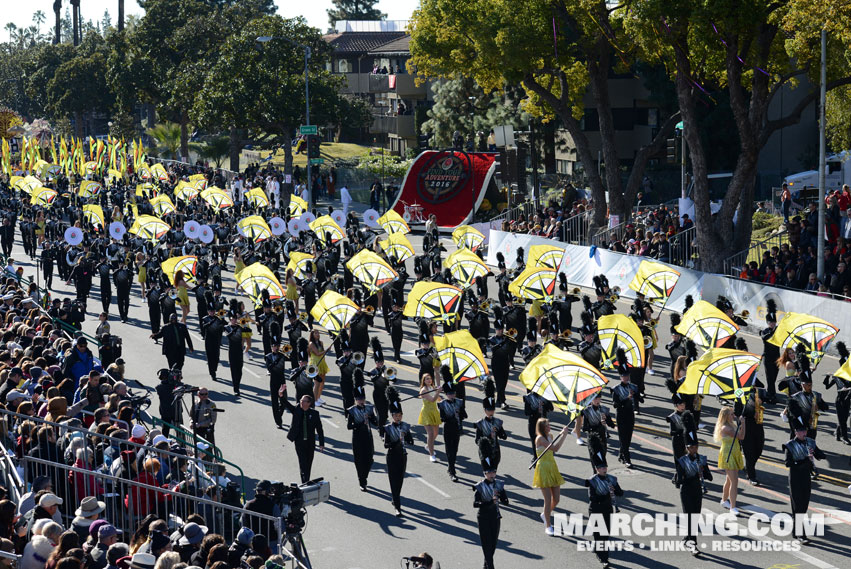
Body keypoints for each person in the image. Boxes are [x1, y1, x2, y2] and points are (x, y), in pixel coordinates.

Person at [782, 414, 826, 543]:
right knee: (798, 506)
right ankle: (801, 534)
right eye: (801, 431)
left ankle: (796, 531)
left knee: (804, 505)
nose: (803, 433)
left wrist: (819, 455)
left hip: (806, 477)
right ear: (795, 432)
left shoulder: (810, 442)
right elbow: (788, 463)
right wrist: (804, 461)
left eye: (805, 430)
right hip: (795, 478)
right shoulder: (790, 445)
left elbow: (819, 454)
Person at [673, 413, 712, 555]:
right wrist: (693, 474)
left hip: (697, 490)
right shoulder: (682, 461)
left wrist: (703, 471)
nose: (694, 449)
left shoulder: (701, 459)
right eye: (691, 447)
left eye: (695, 447)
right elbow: (680, 481)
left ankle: (687, 537)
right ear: (687, 448)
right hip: (686, 490)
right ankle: (692, 545)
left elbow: (710, 477)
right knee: (689, 517)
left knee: (695, 517)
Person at [585, 439, 624, 568]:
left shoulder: (611, 479)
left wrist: (615, 490)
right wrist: (607, 493)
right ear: (596, 469)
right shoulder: (592, 481)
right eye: (601, 467)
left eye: (605, 467)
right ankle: (603, 558)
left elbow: (620, 493)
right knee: (598, 534)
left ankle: (599, 550)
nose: (604, 469)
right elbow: (593, 497)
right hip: (595, 509)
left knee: (605, 534)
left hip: (607, 509)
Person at [473, 444, 509, 569]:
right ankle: (491, 566)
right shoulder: (480, 486)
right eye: (489, 473)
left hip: (495, 516)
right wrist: (489, 502)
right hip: (483, 517)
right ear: (484, 473)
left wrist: (501, 497)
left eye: (493, 472)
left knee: (493, 544)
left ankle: (486, 566)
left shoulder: (499, 484)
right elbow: (475, 504)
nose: (492, 474)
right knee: (486, 544)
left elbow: (506, 501)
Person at [533, 418, 568, 535]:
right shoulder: (540, 439)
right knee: (547, 500)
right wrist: (564, 435)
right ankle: (548, 525)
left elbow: (553, 448)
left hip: (552, 466)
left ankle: (545, 514)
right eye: (547, 426)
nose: (549, 427)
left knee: (556, 499)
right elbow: (555, 449)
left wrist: (561, 434)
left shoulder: (551, 436)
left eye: (549, 425)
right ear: (542, 428)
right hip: (543, 468)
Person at [384, 387, 414, 517]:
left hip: (402, 456)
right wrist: (397, 440)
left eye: (399, 415)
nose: (397, 417)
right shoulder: (388, 428)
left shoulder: (405, 426)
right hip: (392, 456)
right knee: (393, 480)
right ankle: (397, 505)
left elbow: (411, 442)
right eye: (395, 415)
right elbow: (386, 444)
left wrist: (405, 436)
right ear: (392, 416)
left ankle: (395, 497)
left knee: (400, 480)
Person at [283, 393, 325, 483]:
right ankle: (304, 482)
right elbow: (286, 404)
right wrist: (281, 396)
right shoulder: (296, 410)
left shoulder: (314, 414)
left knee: (309, 463)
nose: (301, 402)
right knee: (303, 463)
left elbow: (319, 429)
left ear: (309, 403)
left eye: (304, 401)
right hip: (299, 441)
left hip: (310, 442)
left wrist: (321, 443)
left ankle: (306, 480)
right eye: (301, 400)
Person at [346, 371, 378, 491]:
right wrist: (359, 424)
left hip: (368, 436)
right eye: (359, 399)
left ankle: (365, 476)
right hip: (358, 438)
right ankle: (362, 481)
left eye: (363, 398)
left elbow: (375, 423)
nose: (361, 401)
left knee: (369, 460)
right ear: (355, 399)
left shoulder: (369, 408)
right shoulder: (352, 411)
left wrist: (371, 418)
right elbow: (349, 426)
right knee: (359, 461)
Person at [437, 367, 466, 483]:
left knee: (455, 449)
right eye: (449, 394)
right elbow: (442, 418)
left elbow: (464, 415)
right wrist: (451, 416)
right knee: (449, 449)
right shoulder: (442, 404)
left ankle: (451, 466)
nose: (451, 395)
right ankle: (452, 469)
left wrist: (460, 413)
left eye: (453, 393)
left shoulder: (459, 402)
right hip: (448, 427)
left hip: (457, 428)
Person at [714, 406, 745, 515]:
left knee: (729, 479)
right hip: (728, 454)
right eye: (732, 414)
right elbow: (741, 436)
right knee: (734, 481)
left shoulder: (731, 425)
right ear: (726, 416)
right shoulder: (725, 428)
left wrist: (739, 423)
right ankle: (733, 507)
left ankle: (723, 500)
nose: (734, 416)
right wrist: (743, 423)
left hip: (733, 451)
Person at [612, 350, 639, 468]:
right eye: (624, 376)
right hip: (621, 414)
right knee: (623, 436)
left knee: (628, 437)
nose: (626, 377)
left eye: (627, 375)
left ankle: (621, 453)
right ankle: (627, 458)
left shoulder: (634, 386)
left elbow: (639, 401)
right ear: (620, 377)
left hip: (630, 414)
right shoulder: (616, 389)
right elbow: (615, 404)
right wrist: (627, 398)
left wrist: (637, 395)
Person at [474, 379, 507, 471]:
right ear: (485, 410)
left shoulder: (497, 422)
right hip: (485, 451)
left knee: (494, 470)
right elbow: (477, 440)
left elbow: (504, 436)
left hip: (495, 450)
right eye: (489, 410)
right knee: (488, 471)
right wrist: (488, 437)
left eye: (492, 410)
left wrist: (499, 431)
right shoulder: (480, 423)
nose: (491, 412)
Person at [417, 373, 441, 462]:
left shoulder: (432, 387)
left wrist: (443, 400)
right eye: (427, 379)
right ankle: (431, 454)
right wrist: (437, 392)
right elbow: (432, 400)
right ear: (424, 381)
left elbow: (438, 399)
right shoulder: (423, 390)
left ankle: (428, 445)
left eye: (430, 378)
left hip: (434, 412)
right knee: (430, 434)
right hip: (426, 413)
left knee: (436, 433)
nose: (429, 380)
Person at [760, 299, 780, 403]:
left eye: (774, 322)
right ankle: (772, 395)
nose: (772, 324)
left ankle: (770, 392)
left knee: (774, 377)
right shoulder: (765, 331)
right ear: (767, 323)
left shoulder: (778, 331)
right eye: (770, 322)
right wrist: (773, 332)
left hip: (777, 358)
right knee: (769, 377)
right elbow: (764, 338)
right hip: (768, 357)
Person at [201, 307, 225, 380]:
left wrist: (222, 319)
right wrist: (210, 322)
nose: (212, 312)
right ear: (208, 311)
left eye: (213, 311)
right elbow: (203, 327)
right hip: (208, 340)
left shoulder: (218, 318)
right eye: (210, 311)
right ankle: (212, 373)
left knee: (216, 357)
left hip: (216, 340)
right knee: (210, 357)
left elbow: (225, 325)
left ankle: (214, 369)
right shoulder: (205, 318)